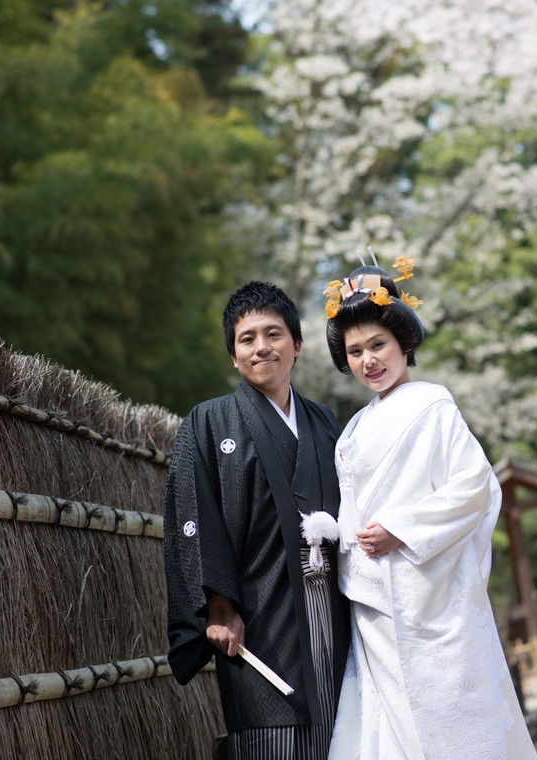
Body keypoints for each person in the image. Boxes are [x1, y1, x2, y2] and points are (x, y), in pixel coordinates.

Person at [322, 260, 537, 759]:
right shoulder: (353, 428)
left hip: (431, 592)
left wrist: (400, 528)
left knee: (453, 716)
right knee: (392, 722)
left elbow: (474, 486)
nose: (368, 360)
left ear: (404, 344)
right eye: (355, 351)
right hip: (374, 597)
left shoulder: (433, 406)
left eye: (377, 345)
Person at [163, 281, 350, 759]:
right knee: (271, 737)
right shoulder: (208, 424)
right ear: (234, 356)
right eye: (247, 339)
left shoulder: (325, 421)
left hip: (331, 608)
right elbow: (192, 516)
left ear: (297, 346)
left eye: (274, 334)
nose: (261, 347)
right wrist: (218, 605)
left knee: (340, 730)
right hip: (258, 617)